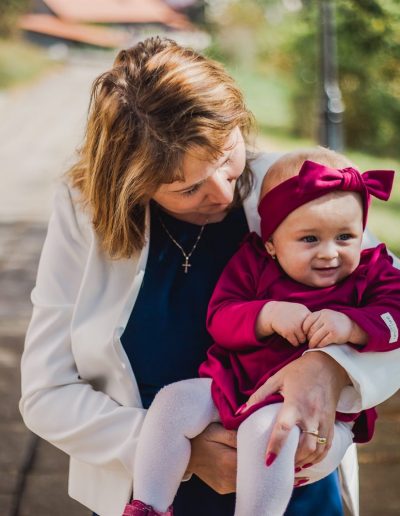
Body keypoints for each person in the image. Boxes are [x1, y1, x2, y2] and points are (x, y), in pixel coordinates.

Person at [18, 37, 400, 516]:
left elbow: (389, 303)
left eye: (227, 158)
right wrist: (183, 454)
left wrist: (332, 365)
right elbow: (46, 394)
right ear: (132, 184)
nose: (221, 193)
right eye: (188, 187)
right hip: (147, 490)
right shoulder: (85, 215)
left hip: (299, 495)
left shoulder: (292, 186)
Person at [124, 148, 400, 516]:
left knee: (265, 430)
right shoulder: (253, 262)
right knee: (173, 401)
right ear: (271, 243)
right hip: (236, 383)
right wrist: (266, 315)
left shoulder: (373, 271)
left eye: (346, 236)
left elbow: (395, 316)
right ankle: (149, 505)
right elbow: (220, 317)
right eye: (309, 239)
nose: (330, 253)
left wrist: (353, 326)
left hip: (310, 413)